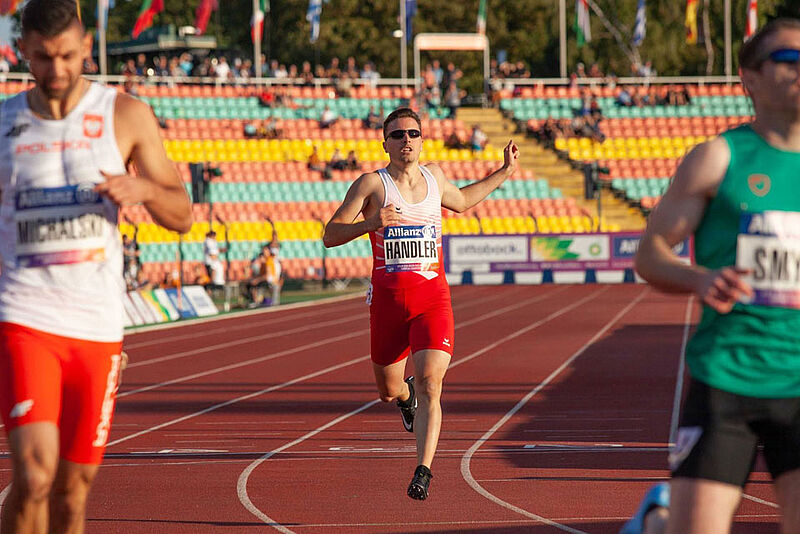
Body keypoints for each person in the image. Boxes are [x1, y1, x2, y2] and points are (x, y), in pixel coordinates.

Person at [0, 1, 193, 532]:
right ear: (24, 52)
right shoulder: (4, 124)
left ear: (86, 47)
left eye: (66, 56)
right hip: (25, 316)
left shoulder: (125, 115)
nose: (56, 70)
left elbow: (182, 216)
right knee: (35, 473)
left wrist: (145, 189)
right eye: (42, 58)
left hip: (97, 325)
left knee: (71, 492)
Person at [634, 18, 800, 534]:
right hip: (727, 376)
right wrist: (700, 279)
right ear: (749, 77)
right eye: (788, 60)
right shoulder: (717, 159)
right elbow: (651, 254)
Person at [322, 107, 518, 500]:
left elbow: (462, 202)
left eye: (412, 134)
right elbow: (330, 235)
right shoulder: (371, 186)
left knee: (432, 383)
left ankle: (423, 470)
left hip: (432, 300)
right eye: (397, 136)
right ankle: (404, 397)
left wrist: (505, 173)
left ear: (422, 140)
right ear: (386, 144)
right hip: (389, 306)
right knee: (388, 390)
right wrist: (371, 224)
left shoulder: (435, 176)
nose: (406, 141)